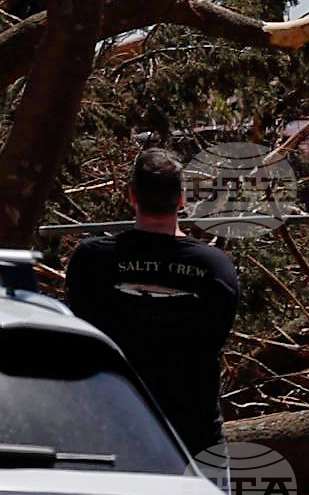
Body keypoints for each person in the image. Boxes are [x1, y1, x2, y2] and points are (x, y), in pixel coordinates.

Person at [65, 146, 240, 472]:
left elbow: (81, 333)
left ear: (132, 195)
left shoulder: (91, 261)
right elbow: (214, 338)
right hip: (194, 439)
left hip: (110, 434)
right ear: (182, 199)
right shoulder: (215, 268)